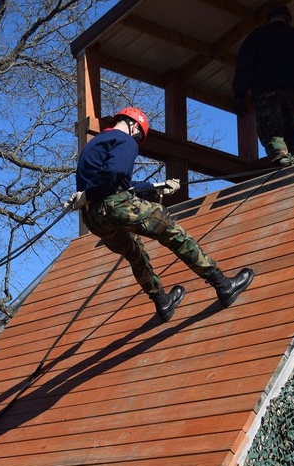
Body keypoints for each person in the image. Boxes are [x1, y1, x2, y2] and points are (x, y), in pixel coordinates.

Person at [70, 106, 253, 323]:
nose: (136, 139)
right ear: (133, 124)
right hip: (113, 205)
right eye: (138, 135)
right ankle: (223, 285)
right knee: (172, 231)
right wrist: (93, 192)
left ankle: (162, 302)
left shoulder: (95, 144)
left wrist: (156, 187)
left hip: (94, 217)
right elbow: (115, 174)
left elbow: (119, 184)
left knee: (135, 252)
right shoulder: (125, 140)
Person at [232, 2, 294, 167]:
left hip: (267, 93)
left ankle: (282, 159)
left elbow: (245, 67)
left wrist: (239, 95)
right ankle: (293, 160)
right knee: (291, 132)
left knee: (271, 130)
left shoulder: (256, 37)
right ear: (287, 18)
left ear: (270, 18)